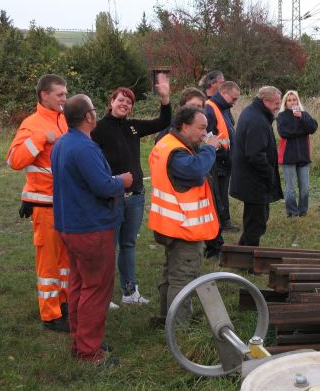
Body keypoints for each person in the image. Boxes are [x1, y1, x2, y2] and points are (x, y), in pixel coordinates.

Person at [51, 94, 132, 364]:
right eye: (94, 111)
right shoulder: (85, 147)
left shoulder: (62, 143)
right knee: (96, 289)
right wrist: (123, 180)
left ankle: (80, 343)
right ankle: (89, 352)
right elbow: (103, 186)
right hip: (90, 227)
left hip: (70, 226)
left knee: (79, 285)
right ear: (88, 117)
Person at [91, 73, 171, 306]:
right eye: (120, 100)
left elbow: (162, 122)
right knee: (107, 248)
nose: (124, 104)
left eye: (129, 102)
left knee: (128, 245)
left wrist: (165, 98)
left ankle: (129, 292)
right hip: (110, 197)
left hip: (135, 197)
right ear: (111, 102)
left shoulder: (134, 127)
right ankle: (102, 296)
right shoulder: (97, 129)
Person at [5, 74, 70, 332]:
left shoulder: (65, 120)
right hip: (45, 207)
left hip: (66, 205)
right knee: (49, 264)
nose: (65, 99)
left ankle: (63, 304)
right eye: (60, 94)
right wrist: (41, 138)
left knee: (65, 262)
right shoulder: (32, 124)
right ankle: (50, 315)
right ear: (44, 95)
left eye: (66, 94)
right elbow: (14, 160)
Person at [147, 105, 221, 323]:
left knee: (170, 274)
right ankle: (179, 328)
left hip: (169, 223)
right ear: (184, 126)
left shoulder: (166, 144)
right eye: (201, 128)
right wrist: (209, 149)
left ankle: (165, 318)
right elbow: (196, 172)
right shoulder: (177, 153)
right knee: (183, 278)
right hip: (184, 227)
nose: (205, 133)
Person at [230, 86, 283, 246]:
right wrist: (269, 175)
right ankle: (249, 262)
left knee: (255, 221)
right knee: (256, 224)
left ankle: (240, 255)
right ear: (265, 101)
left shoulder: (254, 113)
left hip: (251, 180)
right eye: (276, 103)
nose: (278, 107)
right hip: (254, 181)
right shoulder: (257, 120)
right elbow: (255, 155)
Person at [205, 81, 241, 232]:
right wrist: (221, 153)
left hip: (225, 159)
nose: (234, 103)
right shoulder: (209, 108)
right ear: (224, 93)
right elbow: (207, 136)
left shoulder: (224, 108)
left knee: (222, 191)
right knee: (216, 193)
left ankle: (224, 221)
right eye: (233, 99)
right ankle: (218, 223)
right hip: (216, 160)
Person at [276, 90, 318, 217]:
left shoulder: (304, 115)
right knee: (290, 188)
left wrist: (302, 118)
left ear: (298, 101)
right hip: (288, 156)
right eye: (289, 100)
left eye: (294, 99)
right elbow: (284, 133)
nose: (292, 102)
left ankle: (303, 212)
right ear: (285, 102)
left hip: (303, 156)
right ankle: (292, 213)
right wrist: (302, 130)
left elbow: (313, 128)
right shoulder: (281, 116)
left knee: (304, 187)